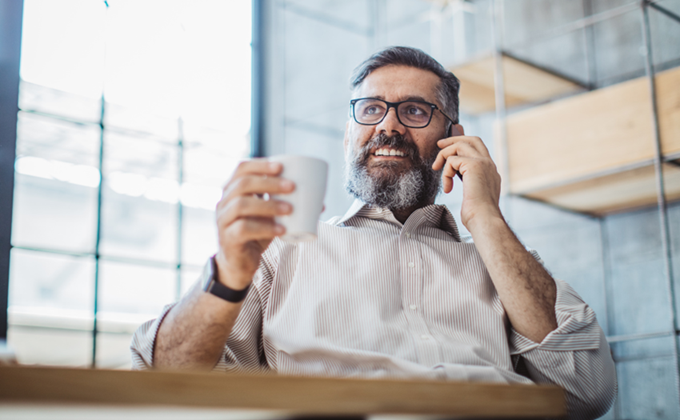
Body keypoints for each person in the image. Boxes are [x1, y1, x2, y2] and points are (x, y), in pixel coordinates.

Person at [131, 46, 616, 419]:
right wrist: (226, 271)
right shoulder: (278, 253)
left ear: (454, 138)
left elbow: (585, 392)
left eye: (415, 111)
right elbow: (166, 378)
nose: (388, 126)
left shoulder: (500, 261)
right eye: (370, 109)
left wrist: (484, 215)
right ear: (348, 134)